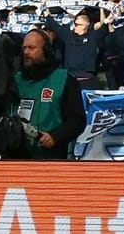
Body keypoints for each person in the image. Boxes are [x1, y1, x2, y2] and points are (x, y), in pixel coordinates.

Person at [14, 28, 87, 160]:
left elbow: (77, 120)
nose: (26, 52)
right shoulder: (16, 80)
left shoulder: (64, 79)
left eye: (31, 48)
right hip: (18, 156)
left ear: (46, 51)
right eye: (24, 48)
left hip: (53, 157)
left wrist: (56, 136)